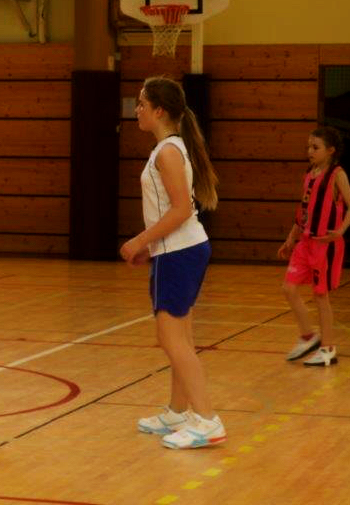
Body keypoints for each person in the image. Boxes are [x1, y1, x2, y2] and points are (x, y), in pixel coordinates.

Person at [120, 77, 225, 450]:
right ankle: (179, 411)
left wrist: (140, 240)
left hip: (180, 252)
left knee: (170, 338)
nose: (137, 110)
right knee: (181, 337)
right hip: (179, 250)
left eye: (142, 104)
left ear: (159, 110)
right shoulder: (169, 148)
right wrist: (152, 247)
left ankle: (207, 420)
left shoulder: (167, 152)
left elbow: (181, 209)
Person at [279, 127, 350, 366]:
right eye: (308, 147)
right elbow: (303, 211)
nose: (310, 151)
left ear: (331, 150)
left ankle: (328, 348)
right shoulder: (309, 173)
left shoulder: (337, 174)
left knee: (320, 295)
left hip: (325, 244)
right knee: (288, 288)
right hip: (305, 242)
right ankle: (308, 336)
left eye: (315, 147)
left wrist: (340, 231)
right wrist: (291, 238)